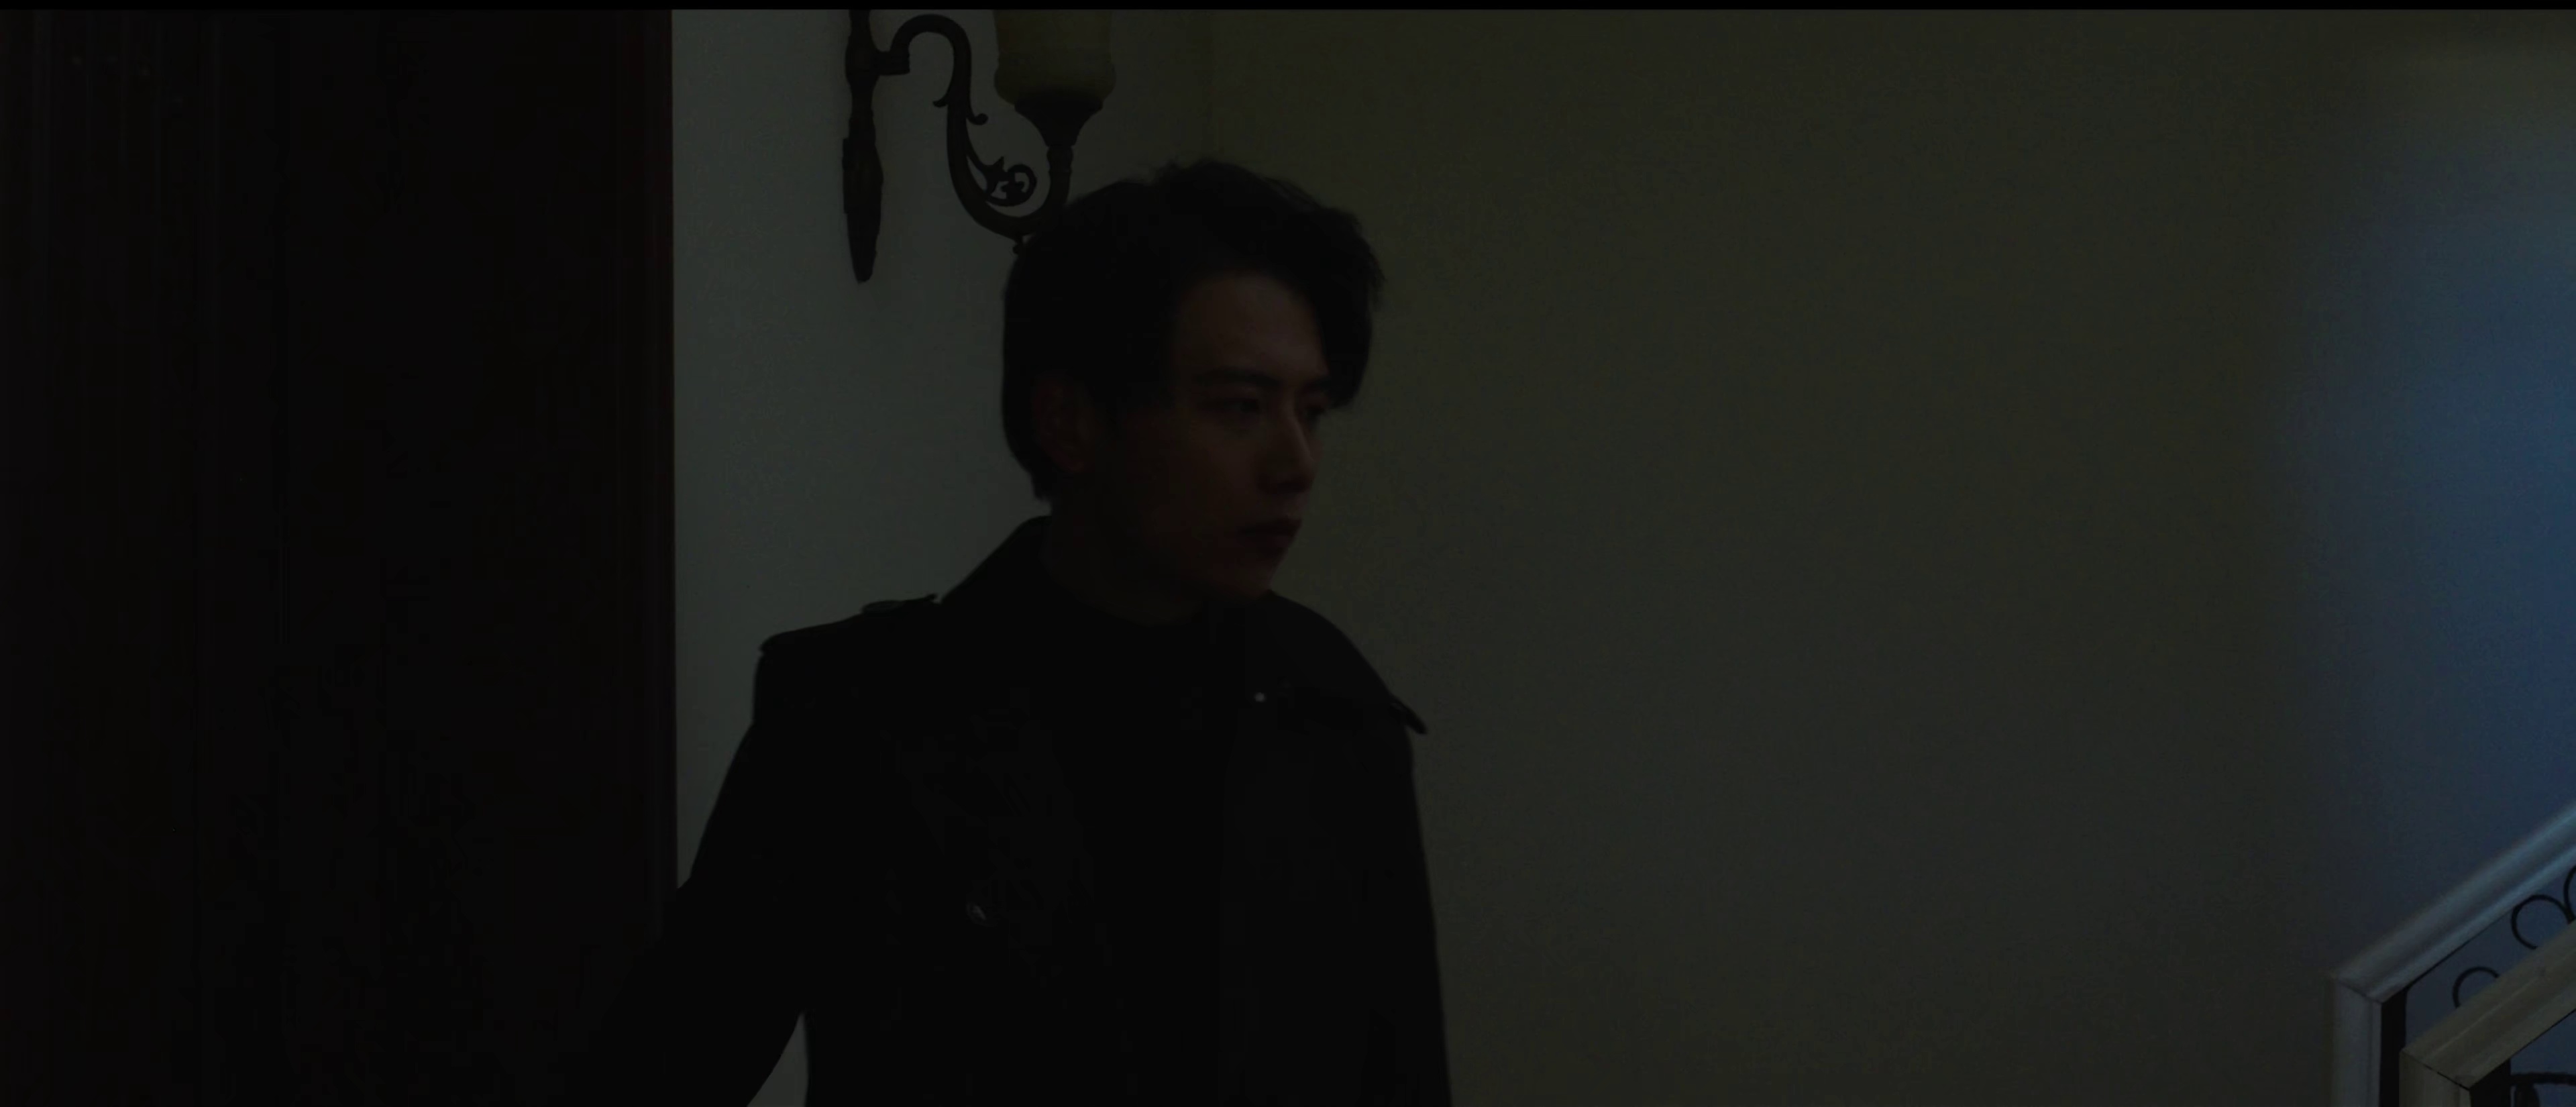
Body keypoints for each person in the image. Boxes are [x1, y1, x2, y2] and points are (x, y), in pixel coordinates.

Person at [561, 158, 1450, 1105]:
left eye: (1310, 411)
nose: (1296, 462)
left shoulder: (1336, 716)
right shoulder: (858, 722)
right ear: (1071, 422)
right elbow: (664, 1064)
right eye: (1240, 408)